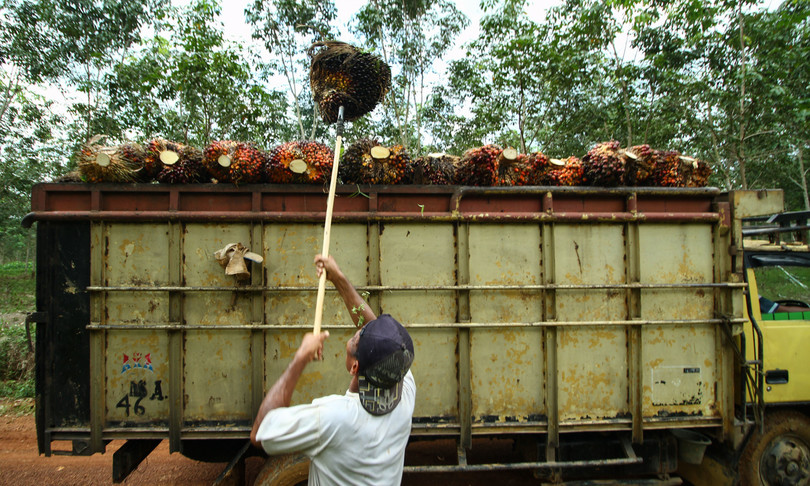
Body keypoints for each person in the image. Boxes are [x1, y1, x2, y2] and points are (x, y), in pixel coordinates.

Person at [250, 254, 416, 486]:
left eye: (358, 336)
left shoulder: (332, 419)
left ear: (354, 366)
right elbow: (376, 337)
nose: (361, 329)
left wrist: (299, 359)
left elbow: (260, 433)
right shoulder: (404, 389)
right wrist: (337, 278)